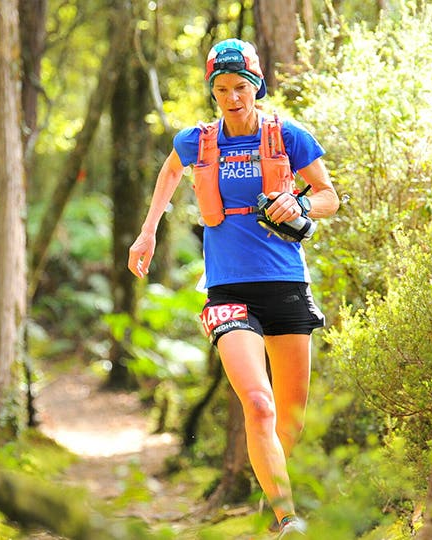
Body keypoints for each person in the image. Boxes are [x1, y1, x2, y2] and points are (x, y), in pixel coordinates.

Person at [127, 38, 339, 537]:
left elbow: (330, 196)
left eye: (240, 87)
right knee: (259, 404)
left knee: (289, 419)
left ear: (257, 86)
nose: (231, 96)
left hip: (287, 284)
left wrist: (301, 206)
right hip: (228, 291)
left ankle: (273, 508)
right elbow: (170, 172)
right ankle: (290, 520)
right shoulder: (195, 141)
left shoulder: (288, 136)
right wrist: (148, 229)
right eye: (221, 89)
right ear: (213, 91)